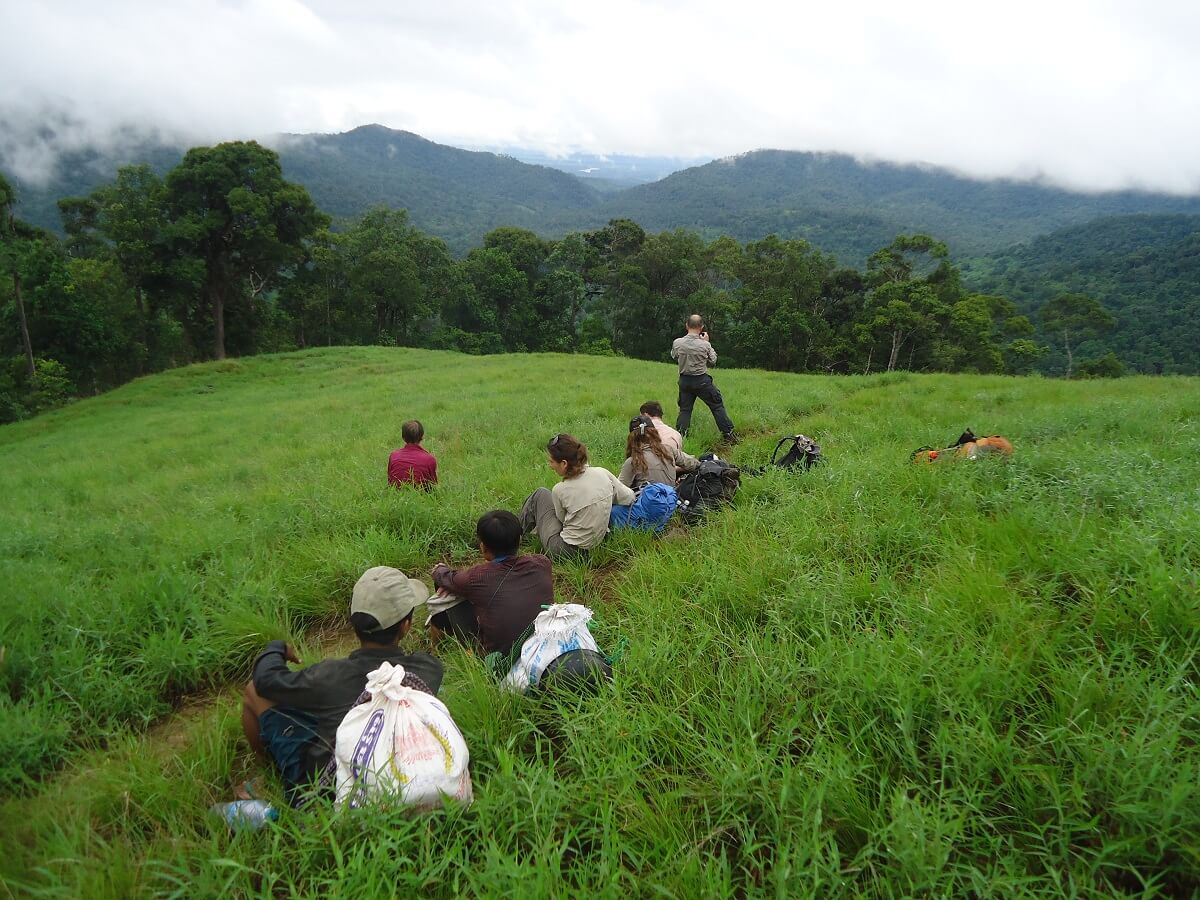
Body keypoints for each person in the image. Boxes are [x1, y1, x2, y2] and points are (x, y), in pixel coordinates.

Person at [240, 566, 443, 803]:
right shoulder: (428, 669)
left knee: (253, 691)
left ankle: (271, 776)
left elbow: (265, 681)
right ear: (406, 626)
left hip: (328, 788)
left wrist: (276, 649)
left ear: (354, 625)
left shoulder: (328, 676)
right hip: (404, 772)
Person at [428, 510, 554, 657]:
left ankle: (435, 652)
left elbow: (442, 576)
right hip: (544, 647)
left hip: (499, 659)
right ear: (519, 540)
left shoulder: (477, 577)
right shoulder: (542, 563)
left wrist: (440, 568)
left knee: (445, 598)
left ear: (483, 547)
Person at [520, 433, 634, 559]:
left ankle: (514, 538)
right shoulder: (603, 473)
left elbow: (561, 521)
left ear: (564, 463)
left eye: (551, 461)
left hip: (564, 550)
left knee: (540, 494)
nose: (550, 465)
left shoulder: (560, 490)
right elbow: (629, 497)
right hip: (598, 545)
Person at [670, 314, 735, 442]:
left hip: (684, 381)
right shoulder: (705, 345)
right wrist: (707, 343)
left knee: (685, 410)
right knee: (716, 406)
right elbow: (713, 360)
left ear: (687, 325)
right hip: (701, 381)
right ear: (701, 327)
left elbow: (674, 356)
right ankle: (728, 434)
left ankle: (680, 437)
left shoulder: (677, 342)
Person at [618, 415, 699, 491]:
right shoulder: (669, 450)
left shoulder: (632, 462)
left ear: (631, 439)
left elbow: (619, 491)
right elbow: (695, 464)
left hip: (644, 500)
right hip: (671, 499)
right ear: (655, 433)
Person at [387, 420, 438, 488]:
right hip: (422, 493)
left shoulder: (394, 456)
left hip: (395, 494)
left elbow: (390, 481)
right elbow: (433, 484)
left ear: (403, 438)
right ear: (422, 437)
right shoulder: (430, 459)